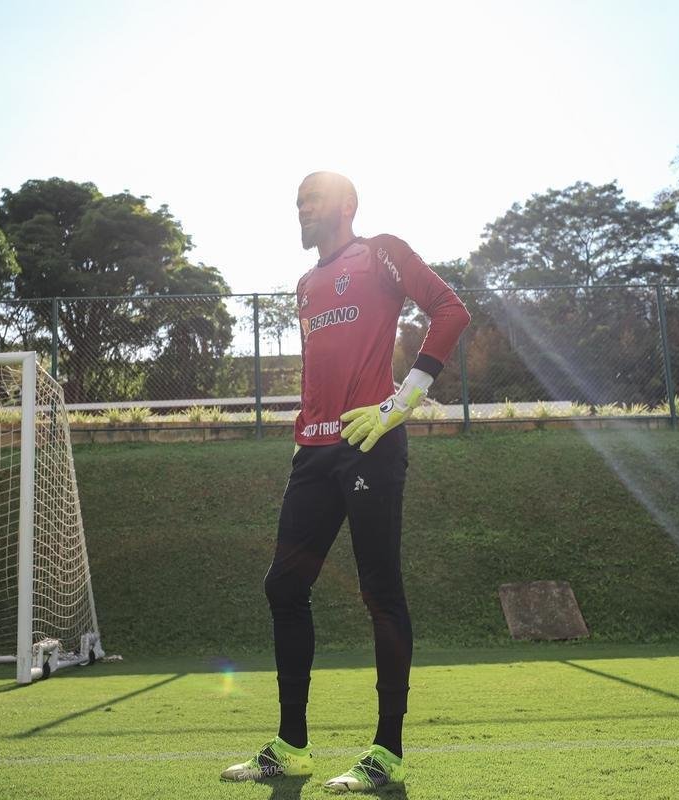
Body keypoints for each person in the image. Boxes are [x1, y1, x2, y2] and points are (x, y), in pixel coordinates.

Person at [221, 172, 471, 792]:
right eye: (297, 202)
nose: (303, 209)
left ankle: (386, 753)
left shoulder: (381, 251)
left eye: (314, 199)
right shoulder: (305, 286)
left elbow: (451, 310)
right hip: (315, 449)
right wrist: (308, 428)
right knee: (284, 584)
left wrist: (401, 403)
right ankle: (291, 746)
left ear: (347, 206)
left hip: (371, 442)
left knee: (379, 591)